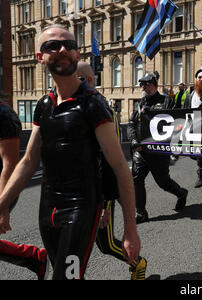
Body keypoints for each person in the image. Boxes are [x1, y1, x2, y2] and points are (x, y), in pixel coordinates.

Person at [0, 25, 140, 280]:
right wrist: (2, 204)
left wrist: (130, 227)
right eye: (52, 45)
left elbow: (119, 166)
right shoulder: (44, 104)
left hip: (82, 209)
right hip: (48, 208)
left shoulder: (93, 105)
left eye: (69, 45)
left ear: (77, 55)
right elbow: (28, 162)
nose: (62, 49)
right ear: (40, 57)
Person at [76, 62, 147, 280]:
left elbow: (110, 163)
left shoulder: (102, 109)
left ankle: (138, 262)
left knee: (105, 245)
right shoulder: (74, 106)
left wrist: (105, 205)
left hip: (100, 193)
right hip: (78, 193)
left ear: (85, 80)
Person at [128, 72, 188, 223]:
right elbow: (131, 123)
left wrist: (154, 114)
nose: (143, 87)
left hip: (158, 152)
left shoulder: (166, 101)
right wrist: (134, 140)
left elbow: (176, 123)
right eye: (141, 85)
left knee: (163, 182)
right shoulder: (140, 102)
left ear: (154, 85)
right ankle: (141, 212)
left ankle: (181, 193)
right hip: (141, 151)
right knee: (137, 178)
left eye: (146, 85)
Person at [0, 100, 48, 280]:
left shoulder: (5, 116)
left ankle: (34, 257)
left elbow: (9, 165)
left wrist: (3, 207)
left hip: (3, 188)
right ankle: (34, 257)